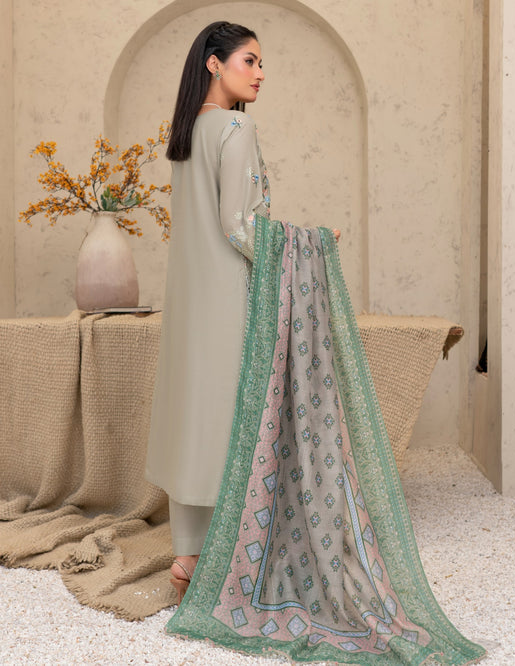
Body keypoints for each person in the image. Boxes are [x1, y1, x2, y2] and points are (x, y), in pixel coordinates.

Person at [146, 20, 340, 601]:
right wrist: (309, 243)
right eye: (249, 61)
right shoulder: (235, 126)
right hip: (231, 295)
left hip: (188, 298)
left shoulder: (187, 131)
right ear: (214, 62)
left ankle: (188, 558)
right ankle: (239, 560)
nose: (260, 74)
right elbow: (237, 226)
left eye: (261, 63)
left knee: (196, 414)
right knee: (237, 417)